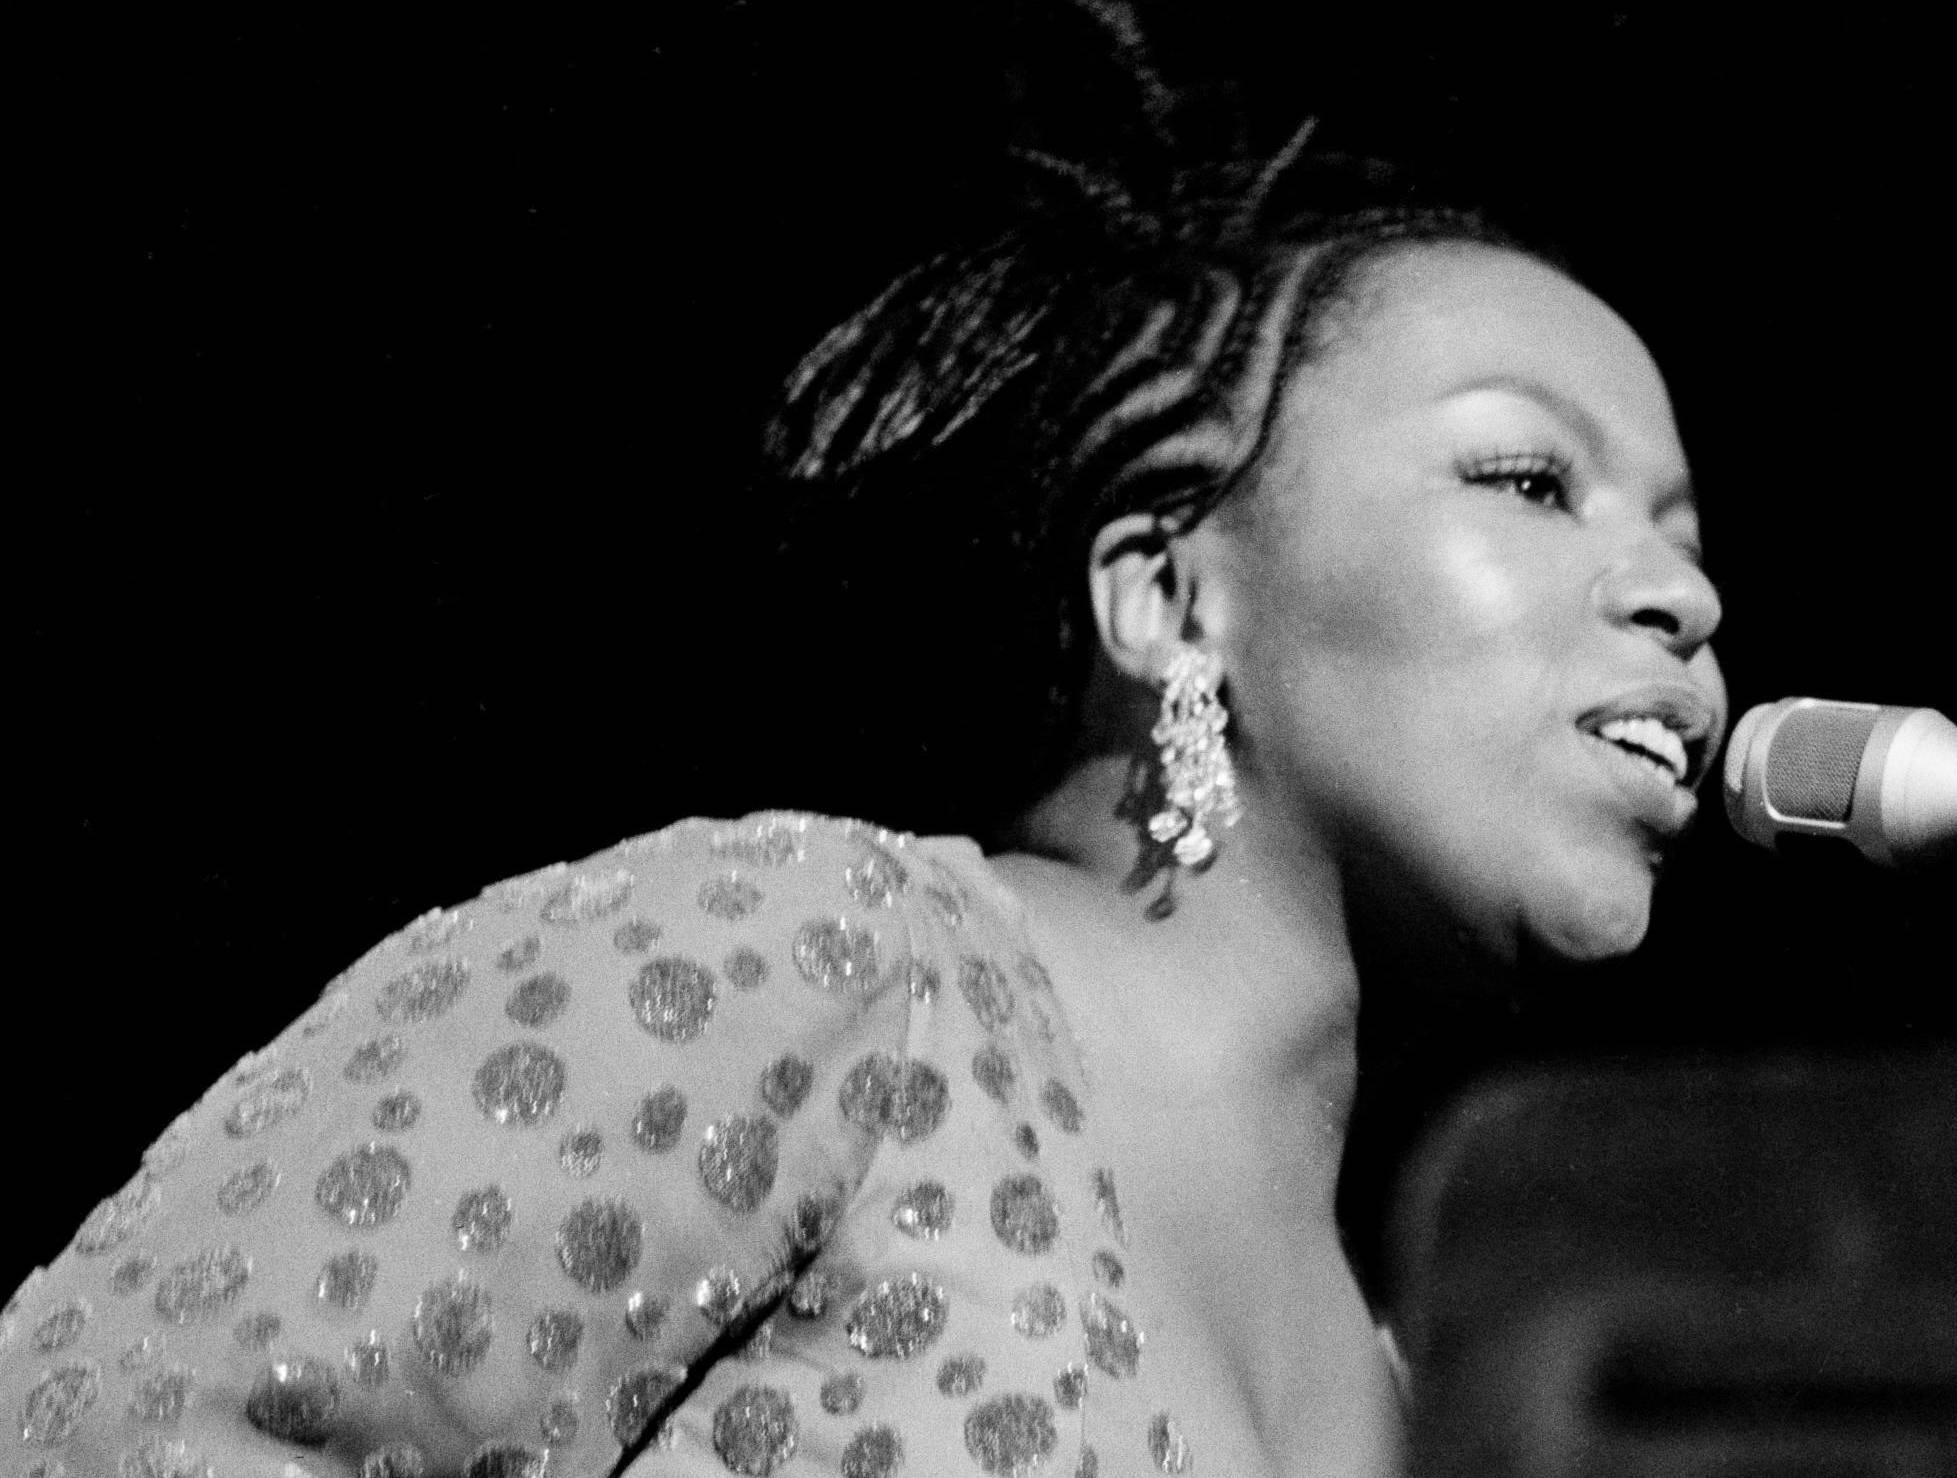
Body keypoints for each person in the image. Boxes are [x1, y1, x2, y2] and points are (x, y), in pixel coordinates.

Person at [3, 121, 1723, 1478]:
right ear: (1168, 597)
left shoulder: (1444, 1377)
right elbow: (108, 1425)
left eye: (1684, 535)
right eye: (1531, 479)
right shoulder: (821, 962)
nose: (1681, 597)